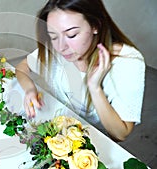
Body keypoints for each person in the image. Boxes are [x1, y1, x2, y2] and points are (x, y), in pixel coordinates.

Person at [15, 0, 145, 141]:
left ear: (95, 25)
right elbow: (22, 67)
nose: (61, 47)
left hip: (94, 141)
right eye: (53, 36)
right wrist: (29, 89)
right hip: (59, 128)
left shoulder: (127, 61)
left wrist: (95, 88)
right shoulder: (56, 49)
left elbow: (121, 133)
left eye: (71, 35)